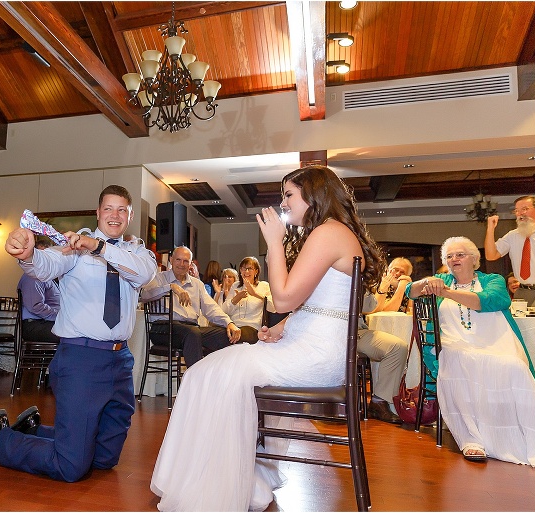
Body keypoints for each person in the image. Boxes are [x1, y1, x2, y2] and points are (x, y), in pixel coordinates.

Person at [150, 165, 384, 511]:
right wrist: (281, 327)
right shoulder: (333, 232)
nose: (284, 202)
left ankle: (217, 484)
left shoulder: (328, 233)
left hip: (316, 356)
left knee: (208, 374)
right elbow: (319, 306)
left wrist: (274, 242)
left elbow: (285, 297)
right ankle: (235, 476)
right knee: (210, 371)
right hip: (317, 349)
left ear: (313, 194)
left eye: (289, 194)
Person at [0, 185, 157, 483]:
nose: (115, 214)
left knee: (104, 460)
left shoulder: (137, 253)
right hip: (80, 358)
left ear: (130, 215)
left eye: (122, 209)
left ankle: (34, 429)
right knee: (71, 466)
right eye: (108, 208)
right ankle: (0, 438)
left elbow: (145, 274)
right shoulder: (74, 247)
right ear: (98, 212)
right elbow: (48, 264)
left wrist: (98, 246)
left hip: (120, 361)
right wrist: (28, 255)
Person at [406, 236, 535, 466]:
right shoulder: (441, 279)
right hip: (453, 344)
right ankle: (471, 439)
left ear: (474, 259)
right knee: (459, 359)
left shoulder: (492, 279)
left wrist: (446, 293)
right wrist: (425, 282)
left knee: (514, 366)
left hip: (494, 342)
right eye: (449, 256)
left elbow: (493, 300)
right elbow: (411, 291)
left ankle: (522, 438)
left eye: (460, 254)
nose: (454, 259)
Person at [140, 246, 241, 367]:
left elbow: (211, 308)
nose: (181, 264)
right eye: (178, 260)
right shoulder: (159, 278)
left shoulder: (197, 284)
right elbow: (144, 295)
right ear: (171, 260)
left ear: (190, 264)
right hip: (163, 330)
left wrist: (229, 323)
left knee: (225, 335)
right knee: (192, 333)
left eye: (186, 261)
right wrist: (171, 287)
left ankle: (217, 378)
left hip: (191, 329)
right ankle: (196, 382)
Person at [358, 294, 409, 424]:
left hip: (356, 331)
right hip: (329, 331)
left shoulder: (359, 276)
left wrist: (374, 287)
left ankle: (379, 402)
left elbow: (369, 306)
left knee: (397, 347)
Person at [485, 195, 535, 306]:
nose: (520, 213)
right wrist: (490, 229)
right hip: (522, 291)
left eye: (524, 209)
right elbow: (491, 255)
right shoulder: (513, 235)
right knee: (519, 323)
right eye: (516, 211)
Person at [219, 256, 273, 343]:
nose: (246, 271)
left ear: (256, 271)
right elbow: (223, 311)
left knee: (225, 337)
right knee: (210, 335)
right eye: (244, 268)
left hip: (252, 328)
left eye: (250, 268)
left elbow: (273, 308)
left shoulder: (263, 285)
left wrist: (255, 294)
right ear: (240, 271)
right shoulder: (236, 286)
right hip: (233, 326)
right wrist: (236, 299)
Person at [17, 240, 61, 344]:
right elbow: (35, 306)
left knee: (76, 331)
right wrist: (59, 317)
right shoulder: (33, 277)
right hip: (34, 325)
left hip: (44, 322)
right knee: (70, 334)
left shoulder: (46, 276)